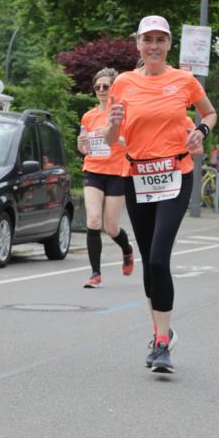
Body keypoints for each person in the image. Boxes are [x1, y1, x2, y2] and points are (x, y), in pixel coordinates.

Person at [105, 16, 216, 374]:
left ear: (169, 45)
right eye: (147, 39)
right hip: (137, 176)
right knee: (149, 261)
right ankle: (159, 332)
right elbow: (110, 140)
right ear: (137, 44)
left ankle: (164, 344)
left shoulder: (183, 81)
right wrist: (113, 122)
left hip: (175, 174)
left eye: (160, 39)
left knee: (157, 258)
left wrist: (200, 130)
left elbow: (210, 113)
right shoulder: (123, 83)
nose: (153, 45)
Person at [77, 67, 133, 288]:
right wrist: (82, 146)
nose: (101, 90)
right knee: (92, 221)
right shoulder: (88, 116)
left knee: (111, 228)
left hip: (117, 173)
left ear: (113, 89)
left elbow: (132, 145)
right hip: (93, 170)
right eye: (97, 86)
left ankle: (127, 250)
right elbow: (83, 147)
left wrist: (112, 136)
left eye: (105, 86)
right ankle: (95, 273)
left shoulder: (121, 115)